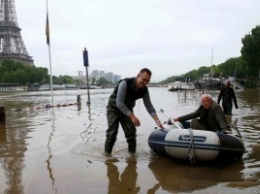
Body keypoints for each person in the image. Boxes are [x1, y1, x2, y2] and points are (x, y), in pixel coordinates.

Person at [104, 68, 163, 155]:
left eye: (147, 81)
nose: (145, 83)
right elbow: (119, 103)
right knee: (112, 133)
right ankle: (107, 155)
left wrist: (157, 121)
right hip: (114, 109)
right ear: (138, 76)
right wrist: (133, 117)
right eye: (143, 79)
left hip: (127, 110)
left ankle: (132, 157)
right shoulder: (125, 83)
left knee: (131, 133)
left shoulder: (144, 90)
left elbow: (149, 107)